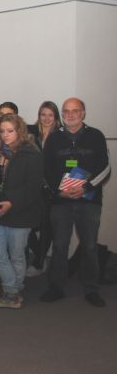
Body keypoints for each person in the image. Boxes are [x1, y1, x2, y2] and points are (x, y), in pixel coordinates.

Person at [40, 98, 111, 307]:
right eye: (66, 111)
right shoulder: (53, 138)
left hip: (89, 201)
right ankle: (56, 287)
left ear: (83, 113)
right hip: (60, 202)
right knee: (60, 245)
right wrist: (58, 191)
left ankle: (92, 289)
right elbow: (46, 170)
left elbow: (105, 168)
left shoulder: (96, 136)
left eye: (75, 111)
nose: (70, 115)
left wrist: (86, 188)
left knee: (89, 246)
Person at [0, 114, 43, 309]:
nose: (6, 135)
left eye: (10, 131)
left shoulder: (31, 154)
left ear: (20, 131)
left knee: (17, 256)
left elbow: (33, 188)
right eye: (2, 131)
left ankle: (12, 294)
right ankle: (13, 292)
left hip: (20, 213)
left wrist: (12, 203)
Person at [24, 101, 61, 275]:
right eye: (43, 114)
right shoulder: (30, 132)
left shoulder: (60, 136)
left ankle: (39, 263)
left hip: (51, 189)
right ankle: (40, 255)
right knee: (28, 226)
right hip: (32, 188)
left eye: (50, 115)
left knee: (47, 227)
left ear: (56, 117)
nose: (46, 118)